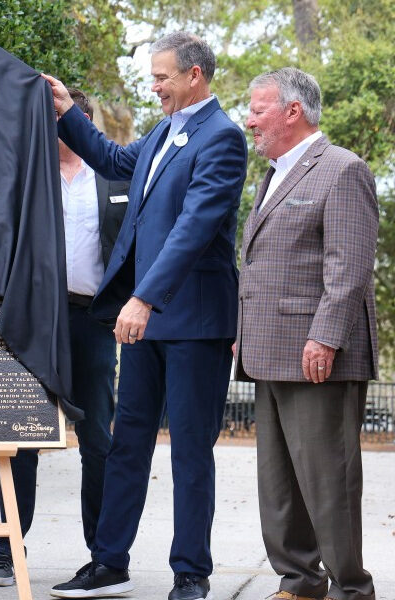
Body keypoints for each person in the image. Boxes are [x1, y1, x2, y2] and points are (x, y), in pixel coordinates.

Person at [44, 31, 247, 600]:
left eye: (162, 77)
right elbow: (113, 159)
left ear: (194, 76)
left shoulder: (224, 138)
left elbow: (193, 230)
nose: (153, 86)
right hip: (145, 321)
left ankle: (191, 574)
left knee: (189, 450)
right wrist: (66, 113)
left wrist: (143, 297)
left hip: (193, 323)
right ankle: (109, 562)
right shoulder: (163, 129)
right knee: (125, 442)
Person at [237, 67, 377, 600]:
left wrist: (325, 336)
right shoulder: (273, 174)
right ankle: (299, 583)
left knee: (328, 484)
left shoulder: (342, 169)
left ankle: (350, 589)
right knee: (279, 484)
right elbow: (264, 264)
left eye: (257, 110)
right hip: (268, 350)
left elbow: (350, 265)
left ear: (292, 112)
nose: (248, 121)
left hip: (319, 354)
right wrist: (243, 329)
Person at [0, 88, 129, 587]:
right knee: (22, 436)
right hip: (35, 322)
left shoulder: (114, 177)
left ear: (82, 121)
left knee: (97, 440)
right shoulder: (26, 180)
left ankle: (103, 552)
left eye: (62, 117)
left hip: (92, 322)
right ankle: (7, 547)